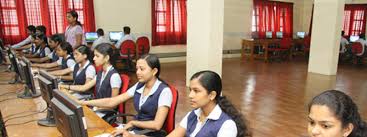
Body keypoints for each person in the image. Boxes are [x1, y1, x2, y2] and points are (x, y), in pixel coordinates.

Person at [116, 70, 251, 137]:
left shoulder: (226, 125)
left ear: (212, 95)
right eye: (190, 90)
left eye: (196, 91)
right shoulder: (193, 115)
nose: (190, 95)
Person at [77, 54, 172, 136]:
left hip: (150, 133)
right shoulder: (140, 85)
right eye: (137, 69)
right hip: (136, 129)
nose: (137, 72)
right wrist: (84, 102)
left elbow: (157, 125)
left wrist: (132, 123)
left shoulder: (164, 91)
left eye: (142, 69)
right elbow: (112, 101)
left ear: (154, 71)